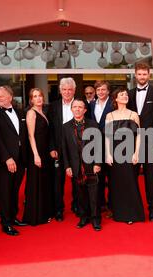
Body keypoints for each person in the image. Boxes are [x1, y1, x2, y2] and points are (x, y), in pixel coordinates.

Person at [128, 62, 153, 221]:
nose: (142, 77)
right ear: (135, 75)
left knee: (151, 177)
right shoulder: (127, 94)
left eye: (145, 74)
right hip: (130, 142)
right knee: (132, 176)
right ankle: (135, 208)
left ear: (149, 75)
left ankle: (152, 209)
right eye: (139, 74)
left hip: (150, 140)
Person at [0, 86, 28, 235]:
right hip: (5, 160)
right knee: (5, 192)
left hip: (21, 158)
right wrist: (7, 158)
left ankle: (13, 217)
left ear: (10, 97)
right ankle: (5, 223)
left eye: (1, 96)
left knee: (14, 190)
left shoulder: (20, 112)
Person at [105, 88, 145, 224]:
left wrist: (136, 153)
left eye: (126, 94)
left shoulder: (133, 115)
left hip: (129, 152)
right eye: (121, 94)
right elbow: (107, 137)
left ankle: (132, 214)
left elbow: (139, 135)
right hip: (115, 153)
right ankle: (119, 213)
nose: (125, 96)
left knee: (130, 182)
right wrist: (108, 154)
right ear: (115, 98)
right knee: (117, 184)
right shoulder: (110, 115)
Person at [62, 99, 102, 230]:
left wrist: (98, 163)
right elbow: (64, 149)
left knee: (94, 194)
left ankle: (96, 219)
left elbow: (98, 145)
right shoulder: (66, 127)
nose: (77, 109)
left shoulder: (93, 124)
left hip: (91, 165)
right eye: (75, 107)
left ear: (85, 110)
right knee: (80, 194)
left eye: (80, 107)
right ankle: (84, 217)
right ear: (71, 109)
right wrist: (67, 166)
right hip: (75, 165)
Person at [48, 77, 79, 221]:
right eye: (64, 89)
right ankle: (58, 209)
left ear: (74, 90)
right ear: (60, 90)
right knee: (57, 181)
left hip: (76, 149)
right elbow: (51, 130)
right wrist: (52, 147)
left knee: (77, 179)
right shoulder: (52, 106)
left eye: (70, 89)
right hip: (58, 150)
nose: (67, 92)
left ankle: (77, 206)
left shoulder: (80, 104)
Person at [23, 88, 54, 225]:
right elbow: (30, 135)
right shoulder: (31, 113)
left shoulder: (43, 112)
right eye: (35, 96)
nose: (38, 98)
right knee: (36, 183)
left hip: (44, 152)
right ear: (31, 100)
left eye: (40, 95)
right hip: (37, 152)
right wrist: (36, 155)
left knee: (43, 182)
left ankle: (44, 212)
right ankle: (35, 216)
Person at [87, 80, 113, 213]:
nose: (101, 92)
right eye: (98, 90)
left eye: (103, 89)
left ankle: (112, 204)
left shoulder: (113, 104)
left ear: (108, 91)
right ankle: (101, 203)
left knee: (112, 176)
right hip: (95, 144)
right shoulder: (91, 105)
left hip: (111, 144)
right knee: (99, 175)